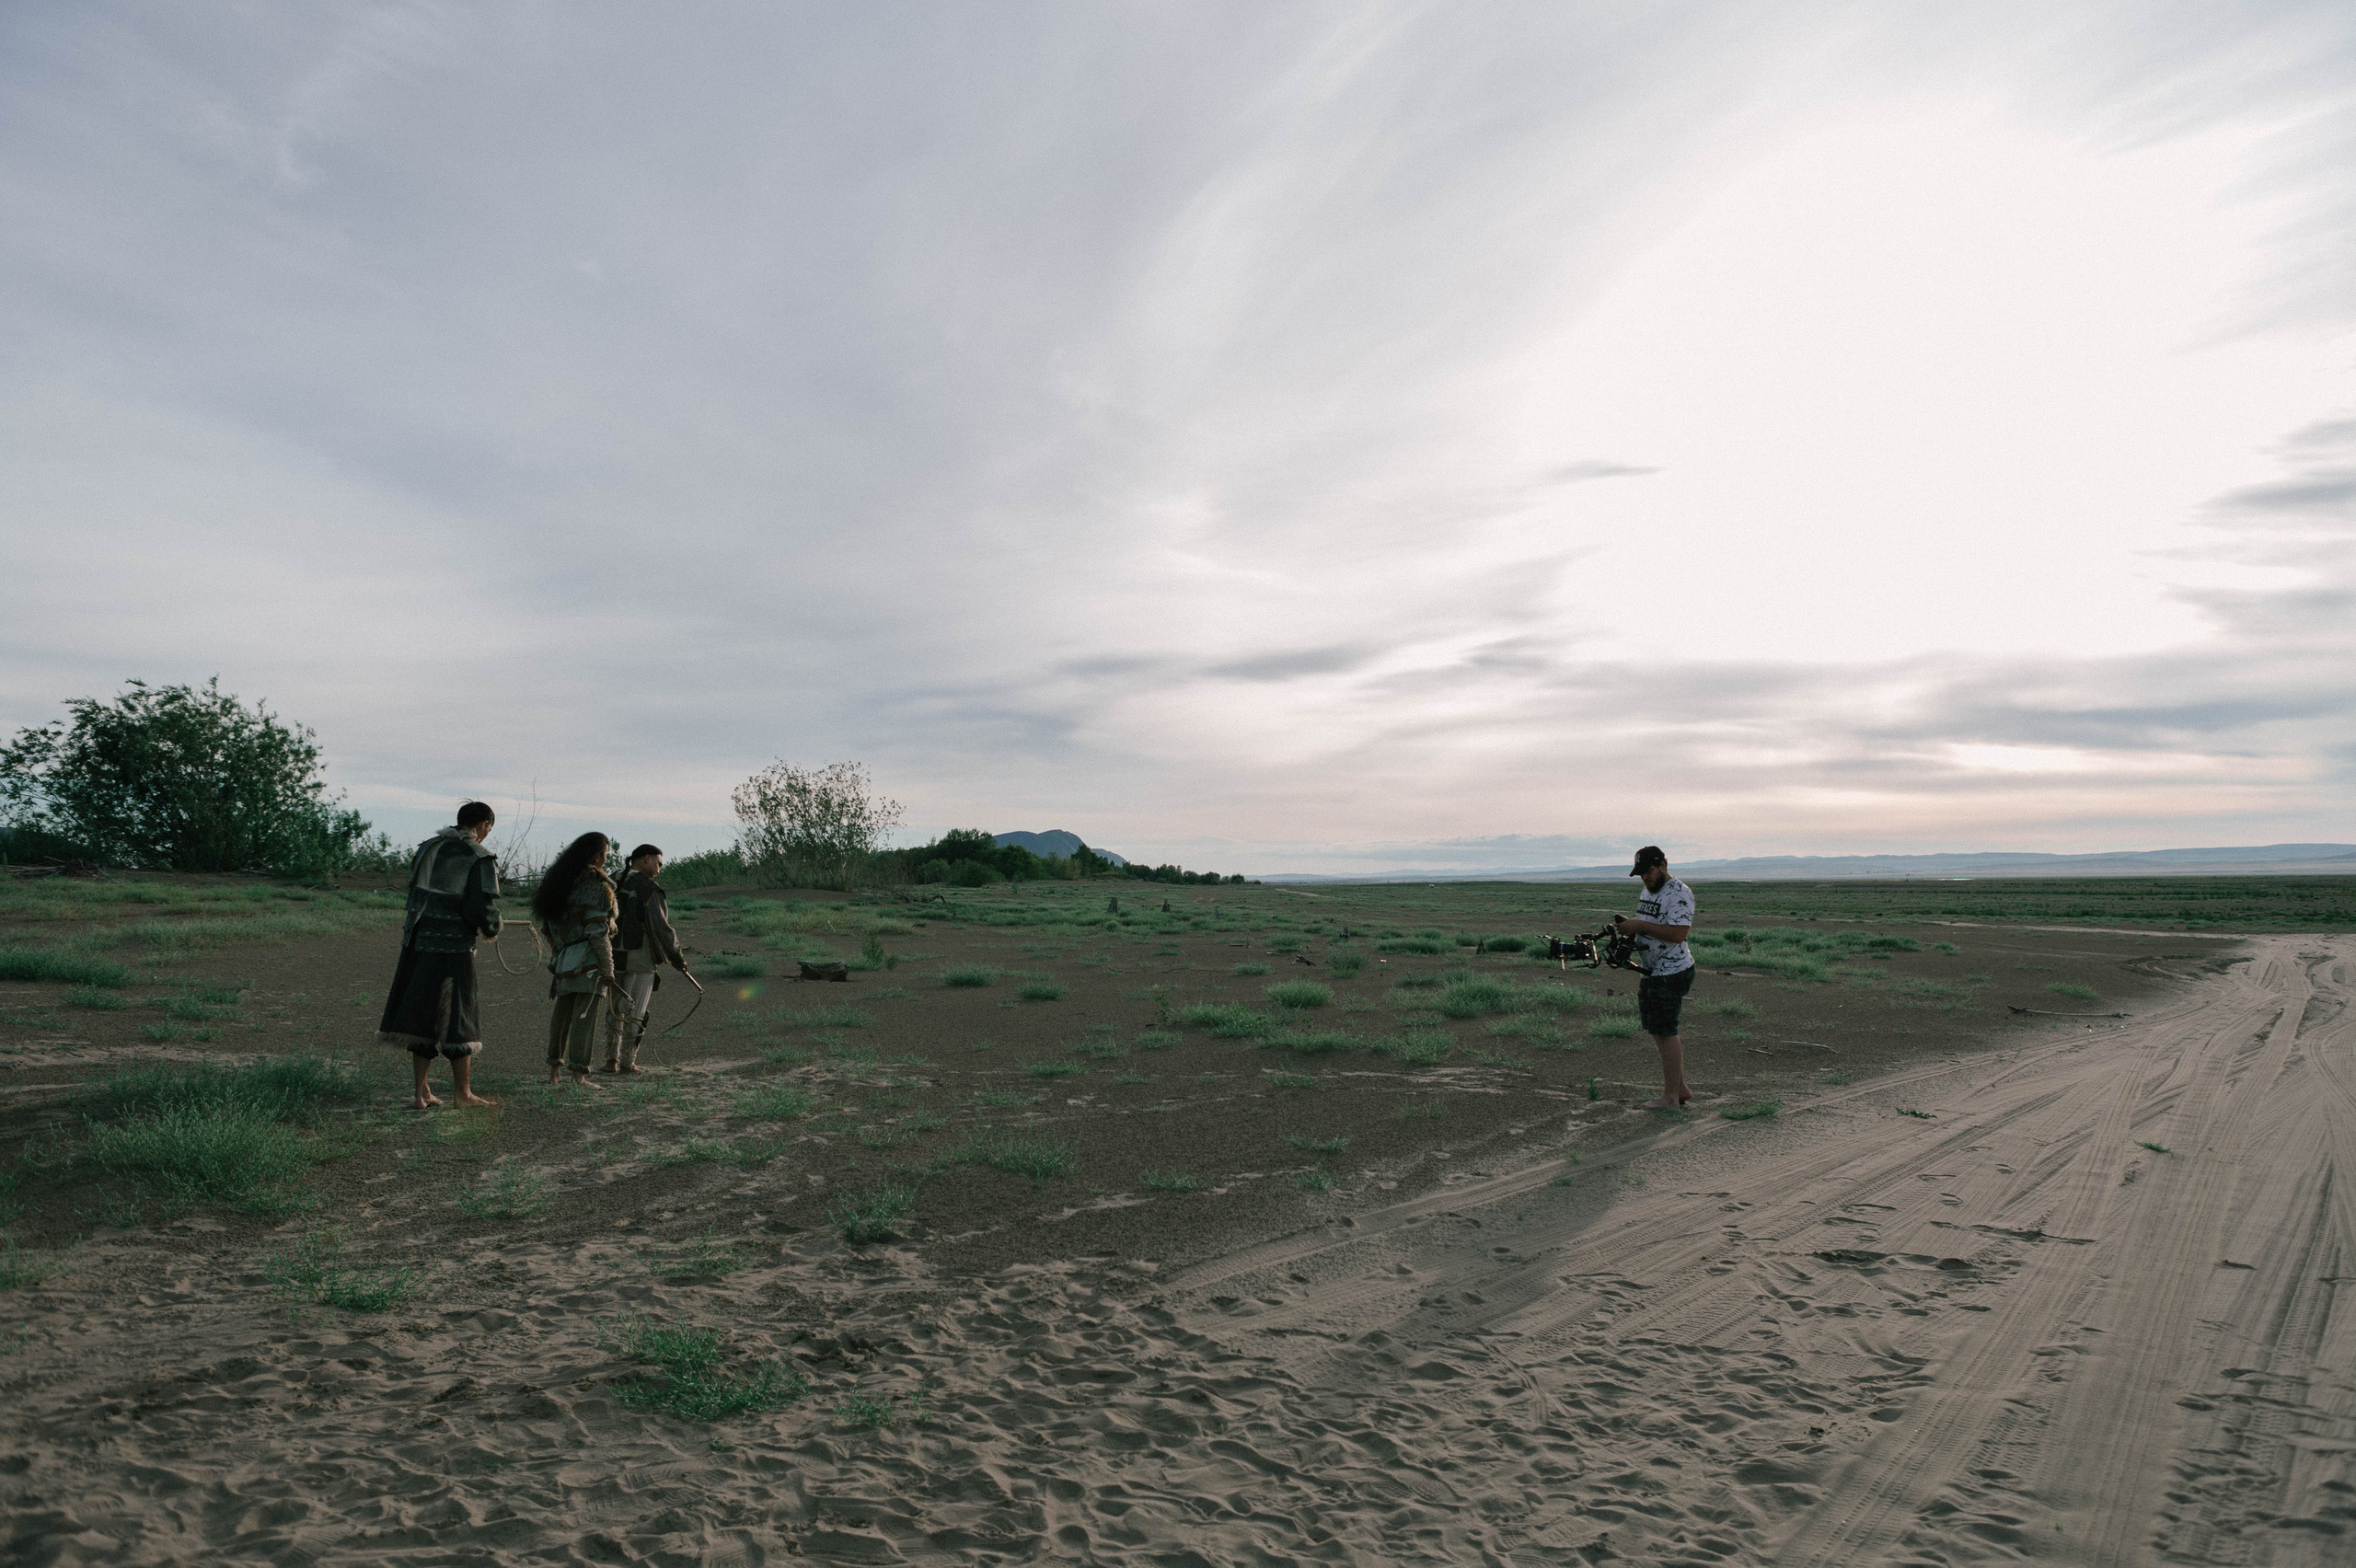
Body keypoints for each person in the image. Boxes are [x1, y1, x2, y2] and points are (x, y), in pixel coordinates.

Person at [377, 801, 502, 1109]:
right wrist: (493, 924)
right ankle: (463, 1094)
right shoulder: (478, 856)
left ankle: (421, 1093)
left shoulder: (426, 848)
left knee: (422, 1013)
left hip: (417, 943)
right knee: (459, 1017)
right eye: (489, 828)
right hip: (453, 948)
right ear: (485, 824)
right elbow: (478, 908)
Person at [1613, 845, 1697, 1111]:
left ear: (1663, 864)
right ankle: (1680, 1089)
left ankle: (1670, 1098)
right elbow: (1651, 924)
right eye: (1640, 874)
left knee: (1666, 1032)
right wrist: (1630, 927)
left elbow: (1677, 934)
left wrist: (1638, 925)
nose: (1645, 878)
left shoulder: (1679, 893)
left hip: (1672, 972)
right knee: (1658, 1031)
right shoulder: (1648, 890)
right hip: (1651, 971)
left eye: (1648, 872)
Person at [533, 831, 617, 1090]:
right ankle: (579, 1075)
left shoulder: (558, 884)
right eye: (605, 854)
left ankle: (554, 1072)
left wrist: (560, 954)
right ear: (597, 856)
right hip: (589, 962)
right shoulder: (596, 887)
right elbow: (598, 933)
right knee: (584, 1018)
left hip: (564, 959)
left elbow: (549, 929)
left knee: (562, 1016)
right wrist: (608, 967)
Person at [605, 843, 690, 1073]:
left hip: (609, 956)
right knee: (636, 1011)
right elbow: (662, 929)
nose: (659, 869)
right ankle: (627, 1063)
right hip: (639, 957)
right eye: (658, 863)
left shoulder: (610, 880)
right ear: (646, 859)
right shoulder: (648, 887)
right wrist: (678, 959)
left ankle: (611, 1060)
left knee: (615, 1009)